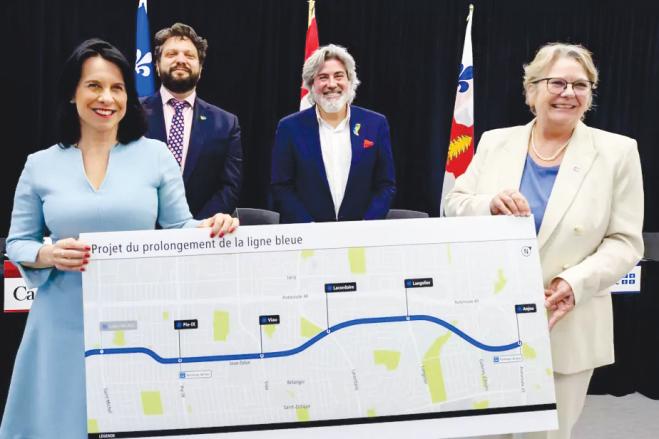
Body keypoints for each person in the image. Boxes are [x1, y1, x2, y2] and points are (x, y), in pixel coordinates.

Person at [0, 39, 238, 438]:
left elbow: (180, 227)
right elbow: (18, 242)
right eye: (94, 86)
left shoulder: (156, 156)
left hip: (136, 319)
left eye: (117, 87)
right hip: (60, 322)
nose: (106, 98)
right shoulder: (39, 165)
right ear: (72, 93)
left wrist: (213, 226)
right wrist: (48, 253)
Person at [445, 43, 644, 439]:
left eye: (580, 85)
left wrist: (575, 282)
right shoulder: (494, 142)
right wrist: (488, 204)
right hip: (490, 320)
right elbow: (454, 203)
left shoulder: (618, 152)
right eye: (557, 83)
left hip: (566, 323)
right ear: (531, 89)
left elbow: (625, 241)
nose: (569, 93)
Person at [271, 44, 396, 223]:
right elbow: (282, 186)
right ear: (311, 84)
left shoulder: (375, 124)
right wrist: (310, 228)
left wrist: (366, 226)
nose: (331, 84)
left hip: (362, 234)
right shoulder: (289, 128)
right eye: (323, 77)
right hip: (308, 235)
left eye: (338, 76)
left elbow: (386, 185)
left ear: (350, 81)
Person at [141, 23, 242, 219]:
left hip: (200, 231)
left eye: (189, 55)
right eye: (172, 54)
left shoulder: (226, 124)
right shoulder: (131, 113)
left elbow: (230, 186)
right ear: (157, 66)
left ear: (201, 68)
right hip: (142, 230)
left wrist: (193, 229)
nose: (181, 60)